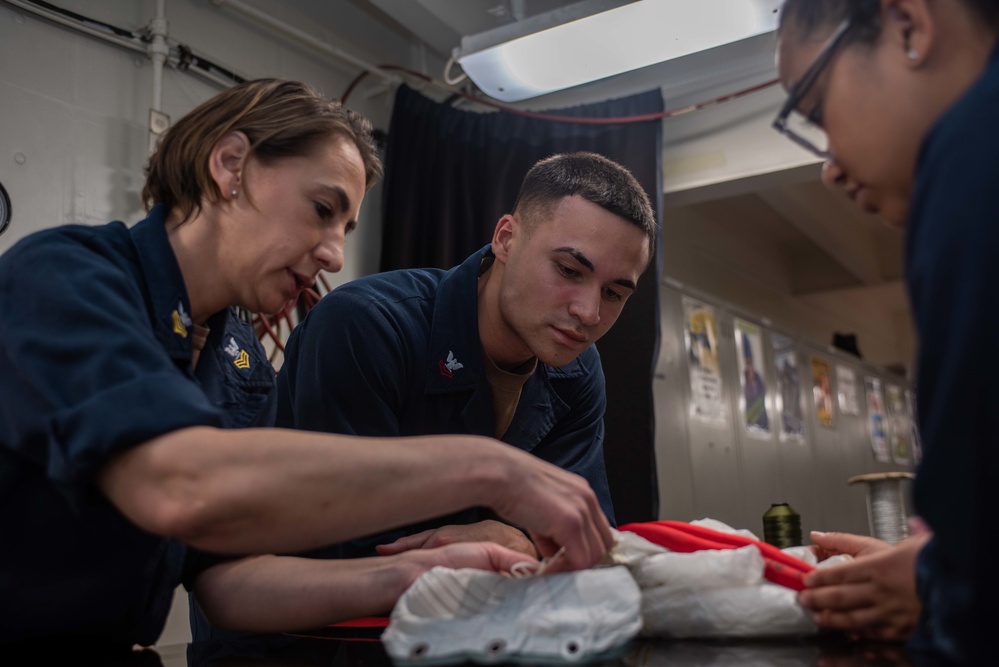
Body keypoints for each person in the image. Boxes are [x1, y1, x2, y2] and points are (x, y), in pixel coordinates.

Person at [0, 79, 615, 651]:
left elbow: (228, 583)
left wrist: (420, 573)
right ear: (230, 165)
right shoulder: (67, 278)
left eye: (346, 227)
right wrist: (490, 471)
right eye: (323, 210)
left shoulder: (233, 360)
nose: (332, 253)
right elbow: (177, 485)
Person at [273, 151, 656, 561]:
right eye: (568, 270)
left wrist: (518, 544)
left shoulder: (578, 368)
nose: (589, 312)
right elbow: (346, 543)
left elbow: (585, 540)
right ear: (506, 239)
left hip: (474, 613)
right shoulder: (368, 325)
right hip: (303, 616)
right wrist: (519, 547)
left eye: (613, 293)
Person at [773, 0, 999, 662]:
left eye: (815, 112)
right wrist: (937, 565)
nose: (829, 166)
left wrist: (945, 583)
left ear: (908, 24)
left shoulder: (969, 157)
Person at [740, 332, 769, 430]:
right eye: (747, 363)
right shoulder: (742, 384)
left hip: (764, 430)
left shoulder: (759, 381)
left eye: (750, 362)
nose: (749, 367)